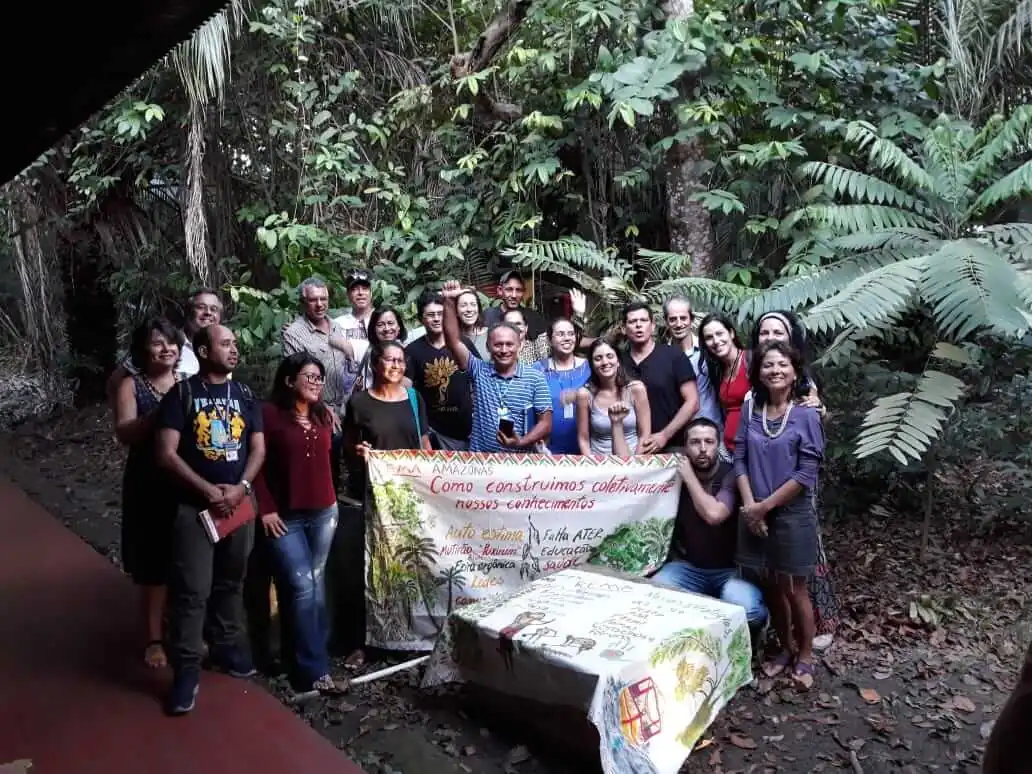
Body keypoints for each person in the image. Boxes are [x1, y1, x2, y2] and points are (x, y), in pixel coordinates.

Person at [155, 324, 266, 715]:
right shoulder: (182, 394)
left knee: (231, 582)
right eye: (225, 343)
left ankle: (226, 649)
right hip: (194, 507)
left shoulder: (245, 394)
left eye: (236, 343)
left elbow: (257, 446)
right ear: (203, 350)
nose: (234, 349)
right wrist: (206, 489)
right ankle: (186, 670)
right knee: (191, 589)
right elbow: (167, 453)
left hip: (237, 505)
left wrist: (242, 486)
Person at [734, 340, 824, 690]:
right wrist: (749, 506)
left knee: (796, 588)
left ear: (795, 371)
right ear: (758, 373)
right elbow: (739, 456)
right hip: (753, 510)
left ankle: (805, 655)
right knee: (771, 584)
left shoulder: (807, 415)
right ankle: (784, 648)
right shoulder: (750, 410)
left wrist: (764, 506)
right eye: (768, 365)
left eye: (782, 365)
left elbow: (807, 472)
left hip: (791, 514)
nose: (775, 370)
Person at [254, 353, 344, 695]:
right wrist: (266, 508)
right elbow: (256, 466)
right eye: (309, 377)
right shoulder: (269, 415)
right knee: (301, 584)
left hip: (324, 512)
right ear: (290, 380)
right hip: (284, 518)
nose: (316, 383)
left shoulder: (323, 415)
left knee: (316, 583)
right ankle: (313, 670)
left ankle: (311, 655)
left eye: (320, 378)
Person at [750, 310, 838, 649]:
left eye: (778, 331)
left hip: (794, 488)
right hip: (759, 477)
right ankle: (781, 634)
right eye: (764, 331)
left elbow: (812, 427)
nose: (770, 336)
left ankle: (817, 626)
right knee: (770, 569)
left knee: (802, 563)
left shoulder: (801, 384)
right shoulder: (756, 376)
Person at [651, 418, 768, 636]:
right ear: (686, 447)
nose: (703, 449)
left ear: (719, 444)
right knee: (655, 592)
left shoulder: (732, 474)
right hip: (689, 568)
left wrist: (689, 478)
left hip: (731, 571)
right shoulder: (671, 473)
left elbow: (714, 515)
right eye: (695, 442)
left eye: (709, 442)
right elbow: (631, 471)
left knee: (748, 611)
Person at [112, 317, 182, 669]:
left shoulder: (186, 382)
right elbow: (125, 432)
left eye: (171, 342)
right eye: (158, 343)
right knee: (153, 560)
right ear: (144, 349)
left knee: (185, 556)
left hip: (184, 480)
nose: (166, 348)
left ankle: (183, 628)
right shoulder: (132, 385)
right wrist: (160, 413)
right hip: (148, 481)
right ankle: (154, 638)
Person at [441, 280, 553, 453]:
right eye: (498, 344)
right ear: (488, 347)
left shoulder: (535, 377)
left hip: (519, 463)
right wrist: (449, 302)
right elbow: (452, 341)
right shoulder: (479, 370)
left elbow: (545, 423)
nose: (504, 350)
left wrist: (522, 442)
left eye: (509, 344)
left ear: (520, 345)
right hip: (481, 463)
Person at [106, 288, 222, 403]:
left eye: (214, 309)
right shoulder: (169, 345)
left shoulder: (223, 352)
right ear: (188, 312)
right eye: (201, 307)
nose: (208, 312)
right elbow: (114, 382)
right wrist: (124, 414)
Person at [620, 301, 699, 453]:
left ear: (653, 325)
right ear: (624, 328)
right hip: (629, 447)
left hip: (672, 445)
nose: (638, 325)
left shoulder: (673, 356)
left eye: (643, 320)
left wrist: (664, 435)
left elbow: (693, 402)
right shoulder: (618, 362)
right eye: (632, 321)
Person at [406, 292, 480, 451]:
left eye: (441, 314)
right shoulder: (412, 351)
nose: (436, 319)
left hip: (468, 429)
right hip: (434, 431)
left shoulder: (462, 344)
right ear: (421, 319)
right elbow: (405, 390)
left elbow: (480, 377)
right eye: (430, 315)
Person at [576, 339, 650, 456]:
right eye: (598, 358)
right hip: (599, 465)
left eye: (610, 356)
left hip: (634, 460)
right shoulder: (585, 395)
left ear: (618, 361)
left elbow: (644, 435)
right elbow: (583, 438)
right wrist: (592, 465)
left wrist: (634, 465)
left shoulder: (636, 389)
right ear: (592, 365)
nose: (605, 362)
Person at [533, 318, 590, 454]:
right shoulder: (537, 369)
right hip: (547, 450)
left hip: (585, 448)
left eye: (571, 334)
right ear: (549, 340)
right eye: (560, 334)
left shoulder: (590, 367)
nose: (567, 338)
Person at [664, 296, 721, 426]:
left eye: (683, 318)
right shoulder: (662, 357)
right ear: (666, 322)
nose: (679, 324)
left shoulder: (709, 349)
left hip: (713, 427)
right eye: (673, 319)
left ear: (692, 319)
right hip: (680, 433)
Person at [698, 314, 749, 453]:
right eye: (709, 337)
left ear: (731, 333)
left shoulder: (751, 360)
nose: (716, 341)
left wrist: (809, 392)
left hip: (751, 448)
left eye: (720, 333)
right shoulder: (718, 370)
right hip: (729, 448)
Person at [480, 269, 548, 339]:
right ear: (500, 290)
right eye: (509, 289)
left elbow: (543, 345)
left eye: (518, 290)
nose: (514, 295)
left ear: (523, 292)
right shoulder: (489, 315)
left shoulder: (533, 317)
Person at [456, 289, 489, 357]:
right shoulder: (452, 338)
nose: (469, 309)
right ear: (456, 311)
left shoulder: (490, 334)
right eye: (463, 305)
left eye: (473, 305)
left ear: (478, 309)